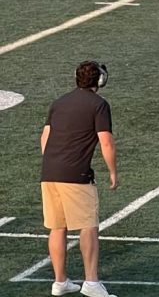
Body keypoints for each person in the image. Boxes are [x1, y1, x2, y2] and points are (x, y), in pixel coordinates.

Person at [40, 61, 118, 297]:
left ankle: (60, 281)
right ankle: (91, 282)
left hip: (50, 172)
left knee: (57, 227)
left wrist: (56, 163)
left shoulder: (59, 103)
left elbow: (45, 139)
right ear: (100, 81)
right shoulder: (99, 105)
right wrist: (113, 172)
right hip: (76, 175)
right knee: (88, 226)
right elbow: (106, 141)